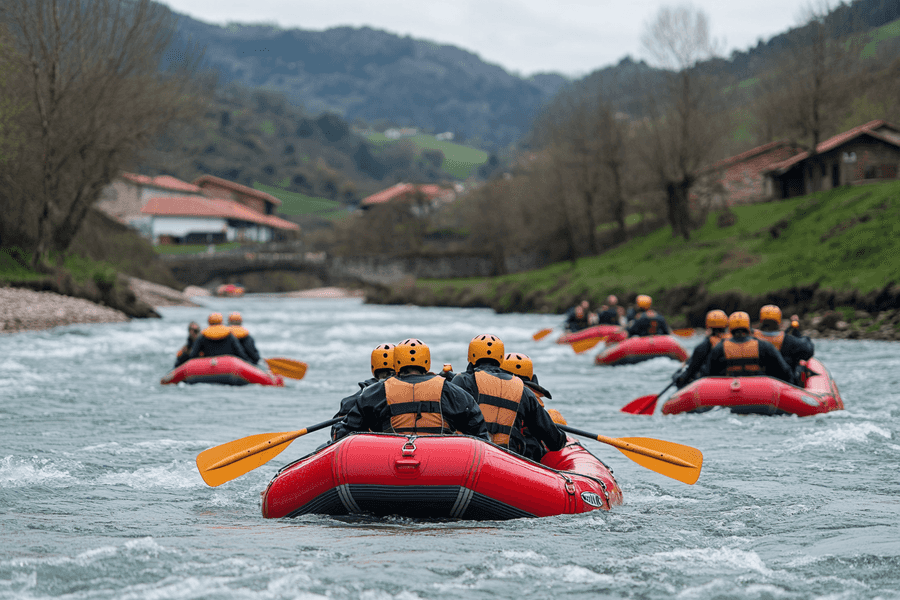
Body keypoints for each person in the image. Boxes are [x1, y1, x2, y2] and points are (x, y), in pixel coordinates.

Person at [331, 339, 489, 441]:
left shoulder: (377, 391)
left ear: (397, 362)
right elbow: (478, 431)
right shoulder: (450, 390)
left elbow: (348, 430)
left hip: (389, 458)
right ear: (426, 362)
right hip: (440, 461)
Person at [451, 334, 565, 459]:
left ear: (471, 355)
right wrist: (563, 437)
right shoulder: (523, 390)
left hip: (470, 455)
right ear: (501, 358)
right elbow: (555, 443)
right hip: (508, 460)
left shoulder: (463, 381)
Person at [500, 352, 560, 461]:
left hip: (492, 449)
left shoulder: (490, 390)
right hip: (524, 455)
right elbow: (555, 443)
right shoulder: (530, 397)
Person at [706, 311, 794, 384]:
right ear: (748, 327)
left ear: (730, 328)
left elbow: (708, 374)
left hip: (731, 391)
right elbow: (785, 371)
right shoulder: (764, 346)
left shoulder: (719, 348)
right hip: (760, 392)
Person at [330, 343, 396, 438]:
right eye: (384, 375)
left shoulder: (407, 391)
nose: (386, 380)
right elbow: (338, 431)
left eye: (390, 375)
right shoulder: (361, 397)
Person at [753, 304, 814, 382]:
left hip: (757, 383)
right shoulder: (789, 341)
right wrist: (800, 333)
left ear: (761, 320)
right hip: (784, 384)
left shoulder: (752, 338)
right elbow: (808, 352)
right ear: (779, 322)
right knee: (801, 368)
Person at [673, 310, 730, 388]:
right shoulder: (732, 342)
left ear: (707, 326)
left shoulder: (704, 346)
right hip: (730, 382)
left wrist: (678, 378)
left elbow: (691, 370)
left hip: (711, 385)